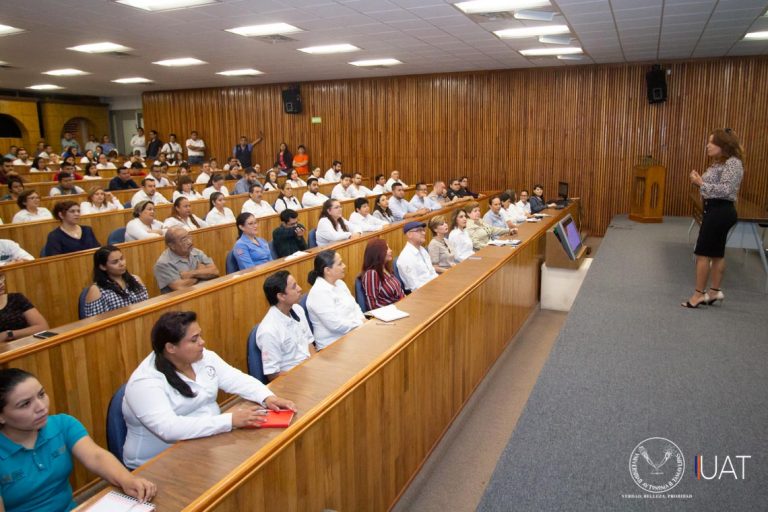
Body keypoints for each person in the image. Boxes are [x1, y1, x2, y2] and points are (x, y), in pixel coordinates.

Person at [122, 311, 295, 468]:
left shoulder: (203, 357)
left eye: (200, 336)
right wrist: (229, 421)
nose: (202, 342)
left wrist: (267, 397)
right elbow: (169, 429)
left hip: (206, 442)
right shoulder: (145, 382)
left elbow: (236, 378)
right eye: (194, 339)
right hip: (156, 463)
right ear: (170, 348)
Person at [0, 369, 156, 511]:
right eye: (25, 404)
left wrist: (127, 480)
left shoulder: (63, 424)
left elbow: (96, 456)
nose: (41, 407)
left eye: (41, 394)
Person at [683, 128, 745, 308]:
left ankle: (698, 296)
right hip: (715, 209)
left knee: (702, 254)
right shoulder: (720, 162)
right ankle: (715, 291)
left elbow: (726, 190)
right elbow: (714, 186)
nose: (707, 146)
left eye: (712, 142)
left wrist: (700, 183)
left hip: (720, 212)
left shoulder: (733, 163)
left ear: (723, 145)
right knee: (717, 254)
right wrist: (699, 180)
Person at [257, 271, 314, 380]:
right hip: (293, 380)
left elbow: (310, 345)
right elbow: (273, 374)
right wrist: (304, 375)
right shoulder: (268, 330)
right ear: (281, 296)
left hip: (310, 371)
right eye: (294, 287)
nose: (300, 288)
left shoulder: (298, 309)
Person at [306, 250, 365, 350]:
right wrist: (361, 323)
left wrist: (363, 322)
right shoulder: (318, 293)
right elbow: (336, 326)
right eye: (340, 264)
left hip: (353, 333)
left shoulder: (340, 283)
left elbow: (355, 306)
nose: (344, 266)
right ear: (327, 270)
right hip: (333, 345)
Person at [83, 246, 149, 317]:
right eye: (115, 262)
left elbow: (147, 307)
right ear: (103, 267)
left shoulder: (136, 279)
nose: (121, 264)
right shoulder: (96, 291)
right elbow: (94, 324)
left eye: (122, 259)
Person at [154, 226, 219, 293]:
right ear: (172, 246)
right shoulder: (163, 263)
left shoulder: (196, 252)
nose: (189, 242)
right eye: (184, 240)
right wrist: (202, 273)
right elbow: (180, 287)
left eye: (189, 237)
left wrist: (192, 273)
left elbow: (215, 271)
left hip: (204, 293)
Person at [0, 273, 49, 341]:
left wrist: (8, 334)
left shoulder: (16, 298)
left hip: (27, 345)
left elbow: (43, 327)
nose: (1, 283)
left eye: (0, 278)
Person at [361, 239, 405, 310]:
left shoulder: (386, 269)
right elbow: (373, 305)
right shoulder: (371, 274)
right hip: (391, 313)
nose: (391, 251)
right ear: (377, 253)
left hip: (402, 306)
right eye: (387, 249)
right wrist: (395, 308)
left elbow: (399, 292)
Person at [396, 221, 438, 291]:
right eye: (419, 230)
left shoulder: (422, 250)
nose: (424, 233)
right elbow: (415, 287)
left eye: (423, 230)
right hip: (422, 293)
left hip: (434, 286)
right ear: (409, 235)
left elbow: (432, 272)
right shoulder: (405, 257)